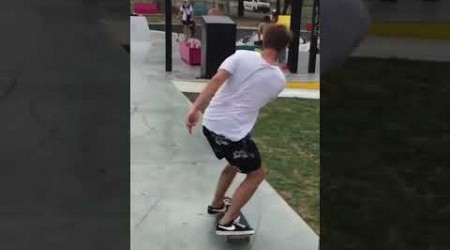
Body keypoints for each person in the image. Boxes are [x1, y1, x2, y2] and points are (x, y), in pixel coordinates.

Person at [185, 24, 292, 235]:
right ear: (283, 47)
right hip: (233, 134)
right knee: (256, 174)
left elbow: (216, 81)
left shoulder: (241, 56)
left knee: (234, 164)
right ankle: (227, 221)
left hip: (211, 124)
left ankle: (217, 204)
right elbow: (260, 101)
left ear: (262, 38)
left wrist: (195, 109)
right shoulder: (279, 80)